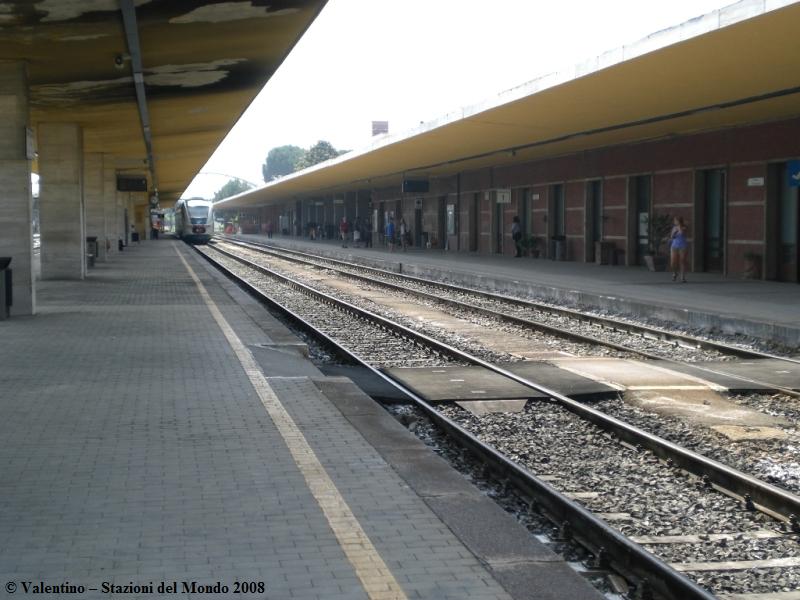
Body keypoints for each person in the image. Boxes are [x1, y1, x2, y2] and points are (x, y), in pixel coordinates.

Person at [669, 216, 689, 283]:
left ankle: (682, 277)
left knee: (682, 261)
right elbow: (672, 236)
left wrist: (679, 227)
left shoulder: (684, 227)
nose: (674, 222)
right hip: (674, 246)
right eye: (674, 221)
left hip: (683, 246)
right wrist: (674, 232)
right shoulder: (674, 228)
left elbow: (682, 233)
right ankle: (675, 273)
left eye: (675, 220)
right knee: (672, 262)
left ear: (679, 221)